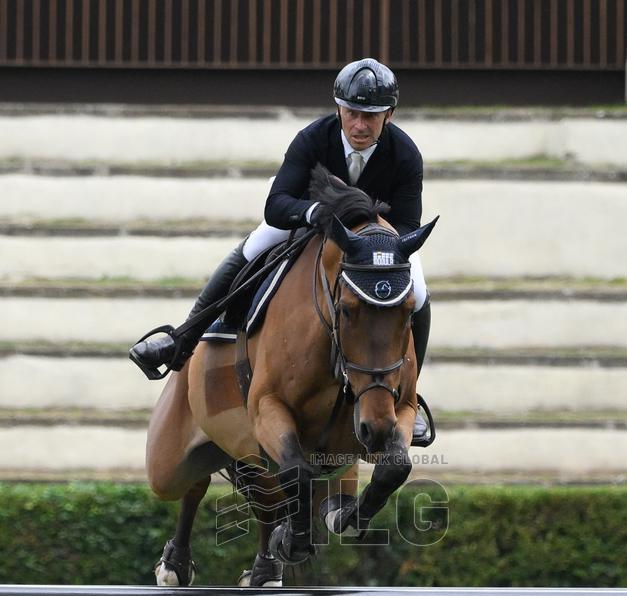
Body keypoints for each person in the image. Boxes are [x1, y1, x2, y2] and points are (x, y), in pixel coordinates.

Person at [130, 58, 433, 443]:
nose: (359, 125)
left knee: (419, 293)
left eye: (370, 117)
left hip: (375, 246)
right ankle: (181, 340)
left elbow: (407, 224)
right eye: (352, 113)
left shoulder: (405, 154)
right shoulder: (313, 138)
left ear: (388, 115)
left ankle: (410, 395)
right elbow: (276, 204)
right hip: (306, 222)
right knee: (255, 245)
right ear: (339, 107)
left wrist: (375, 244)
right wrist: (314, 213)